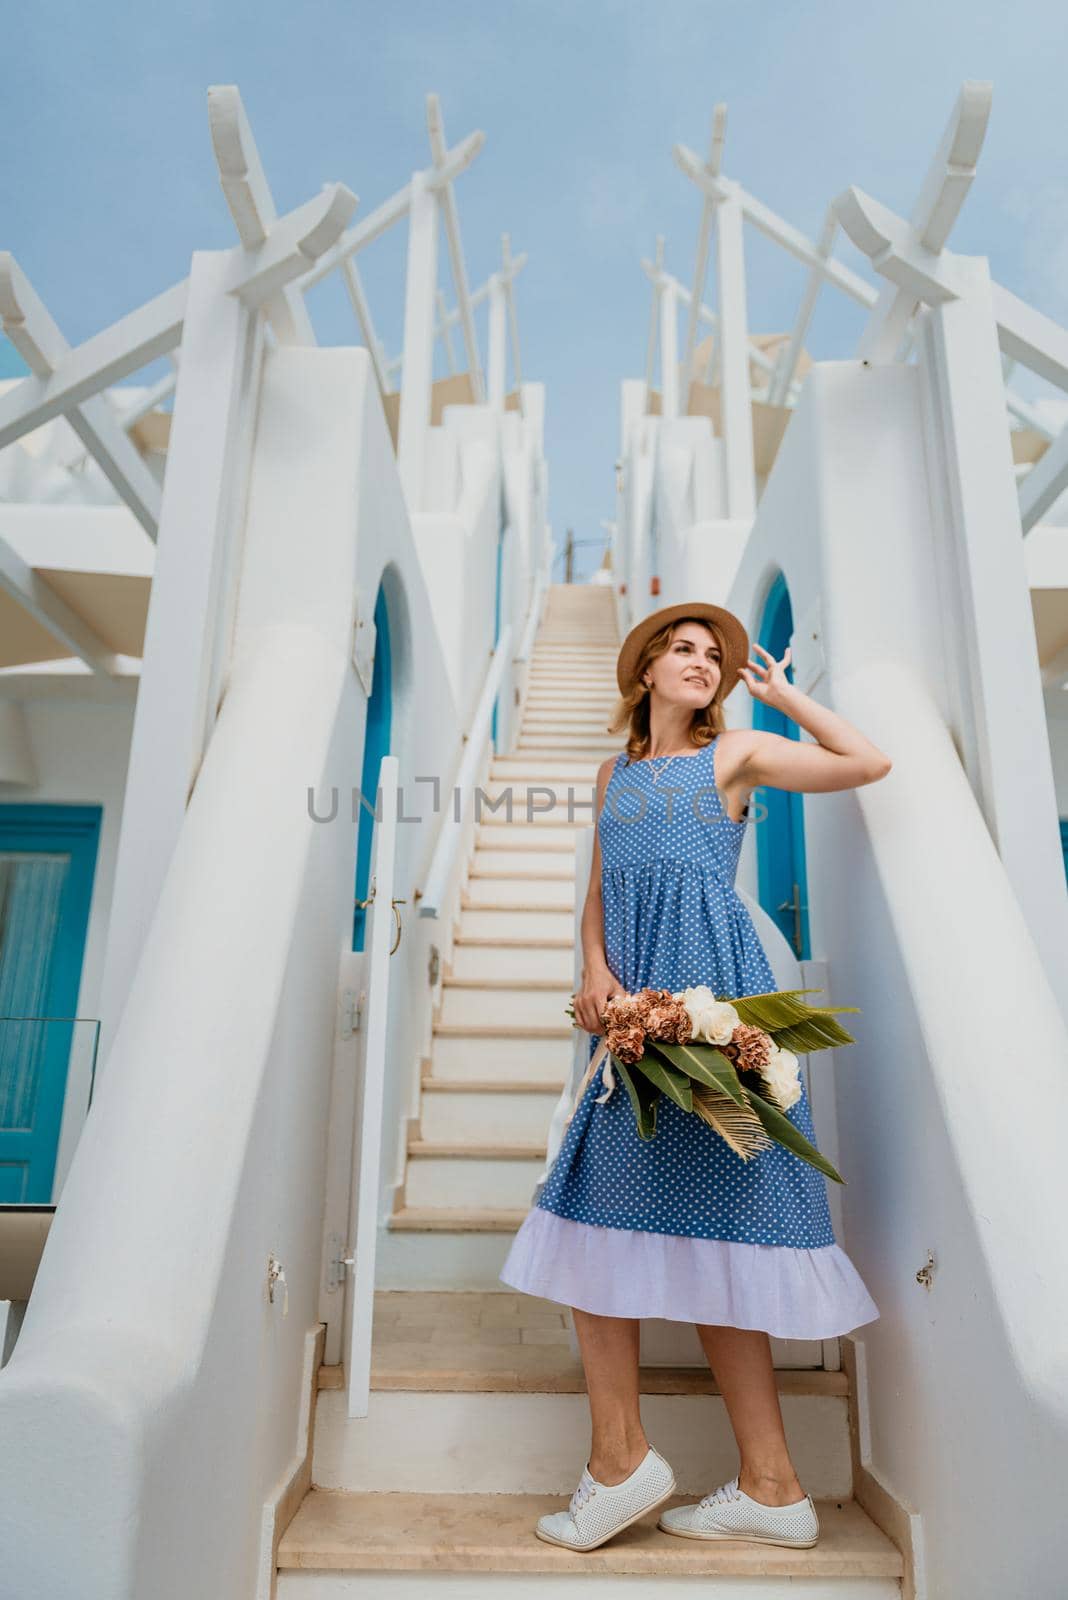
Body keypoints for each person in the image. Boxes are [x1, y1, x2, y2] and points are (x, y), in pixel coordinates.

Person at [498, 600, 891, 1553]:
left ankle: (735, 1481)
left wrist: (783, 694)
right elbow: (600, 892)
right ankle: (690, 1475)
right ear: (644, 671)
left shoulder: (734, 757)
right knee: (596, 1217)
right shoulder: (614, 775)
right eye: (684, 649)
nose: (702, 664)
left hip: (711, 1025)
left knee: (727, 1229)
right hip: (631, 1027)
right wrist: (594, 970)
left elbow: (865, 762)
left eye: (714, 655)